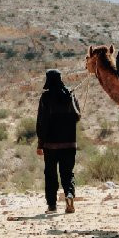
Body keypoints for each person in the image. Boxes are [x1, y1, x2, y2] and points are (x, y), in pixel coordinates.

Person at [36, 69, 81, 213]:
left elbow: (41, 121)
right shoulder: (70, 94)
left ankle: (52, 205)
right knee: (68, 173)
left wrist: (40, 143)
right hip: (69, 143)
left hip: (51, 145)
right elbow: (77, 116)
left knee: (50, 174)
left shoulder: (46, 97)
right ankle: (69, 195)